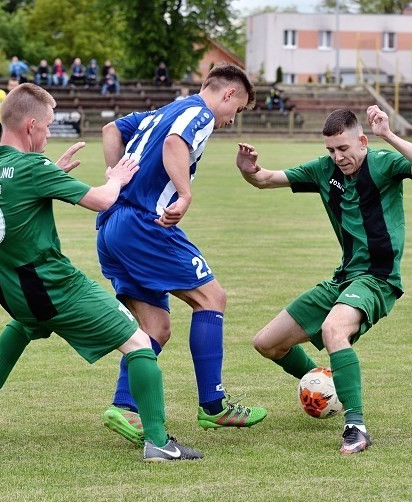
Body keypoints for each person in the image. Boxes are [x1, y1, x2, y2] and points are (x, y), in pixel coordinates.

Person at [0, 83, 202, 462]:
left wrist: (52, 173)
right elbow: (102, 200)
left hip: (7, 284)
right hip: (51, 283)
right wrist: (117, 177)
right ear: (30, 126)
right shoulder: (33, 168)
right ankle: (158, 443)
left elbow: (16, 197)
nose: (48, 132)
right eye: (46, 125)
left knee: (27, 324)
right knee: (140, 343)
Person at [234, 106, 412, 455]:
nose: (338, 157)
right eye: (332, 150)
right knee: (267, 343)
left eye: (344, 148)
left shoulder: (383, 163)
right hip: (343, 279)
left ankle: (356, 426)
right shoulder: (323, 170)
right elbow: (265, 179)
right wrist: (248, 171)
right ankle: (326, 378)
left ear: (361, 141)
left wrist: (388, 135)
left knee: (334, 330)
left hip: (378, 278)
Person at [96, 63, 267, 445]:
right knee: (212, 297)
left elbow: (111, 130)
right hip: (145, 224)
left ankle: (124, 407)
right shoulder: (200, 113)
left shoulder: (163, 110)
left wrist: (115, 178)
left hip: (111, 226)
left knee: (155, 327)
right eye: (236, 111)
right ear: (227, 94)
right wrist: (185, 193)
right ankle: (214, 406)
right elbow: (176, 144)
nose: (230, 120)